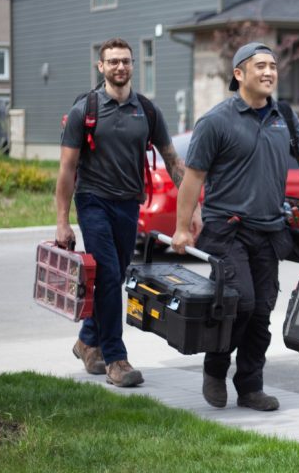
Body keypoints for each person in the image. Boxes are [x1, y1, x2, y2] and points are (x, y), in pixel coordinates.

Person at [171, 42, 299, 411]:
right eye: (260, 66)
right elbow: (193, 178)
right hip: (227, 231)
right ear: (239, 74)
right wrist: (182, 227)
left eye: (273, 66)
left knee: (261, 312)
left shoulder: (283, 115)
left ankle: (250, 386)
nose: (269, 72)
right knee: (239, 303)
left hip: (270, 232)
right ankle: (215, 369)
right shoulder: (215, 121)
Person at [56, 37, 201, 388]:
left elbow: (173, 161)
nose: (120, 66)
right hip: (92, 200)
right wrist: (62, 221)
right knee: (107, 273)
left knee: (115, 275)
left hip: (128, 203)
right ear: (101, 66)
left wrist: (194, 206)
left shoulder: (147, 111)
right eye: (113, 61)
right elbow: (67, 169)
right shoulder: (85, 110)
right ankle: (115, 359)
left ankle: (86, 341)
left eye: (125, 61)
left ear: (133, 65)